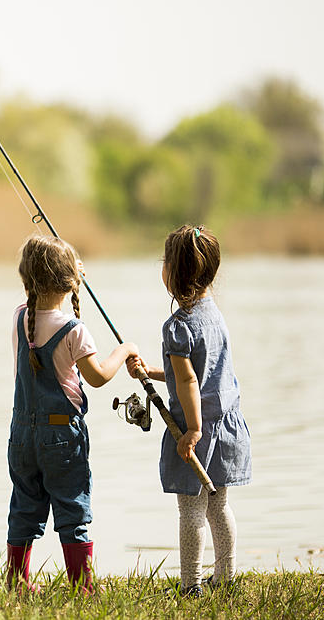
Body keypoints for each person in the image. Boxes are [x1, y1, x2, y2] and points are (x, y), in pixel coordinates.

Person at [6, 234, 138, 594]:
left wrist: (68, 274)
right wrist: (124, 351)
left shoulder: (21, 318)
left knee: (24, 506)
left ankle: (17, 583)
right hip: (62, 438)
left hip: (21, 435)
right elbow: (97, 378)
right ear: (69, 282)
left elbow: (41, 299)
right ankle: (81, 586)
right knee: (72, 510)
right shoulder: (73, 330)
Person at [127, 225, 252, 596]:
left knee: (191, 511)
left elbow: (189, 385)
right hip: (227, 425)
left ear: (173, 274)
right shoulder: (214, 314)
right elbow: (194, 374)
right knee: (219, 505)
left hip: (197, 432)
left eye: (165, 262)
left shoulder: (177, 327)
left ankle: (191, 586)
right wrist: (150, 371)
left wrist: (193, 430)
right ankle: (225, 578)